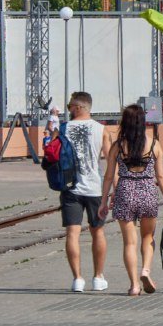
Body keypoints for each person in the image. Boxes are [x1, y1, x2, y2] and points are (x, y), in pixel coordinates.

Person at [98, 104, 163, 295]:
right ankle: (146, 270)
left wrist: (103, 202)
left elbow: (109, 176)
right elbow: (162, 177)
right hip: (148, 191)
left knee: (129, 243)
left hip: (125, 191)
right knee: (148, 237)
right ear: (142, 123)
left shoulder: (118, 146)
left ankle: (134, 285)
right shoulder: (154, 144)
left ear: (125, 122)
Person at [61, 92, 112, 293]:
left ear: (79, 107)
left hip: (70, 187)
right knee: (97, 231)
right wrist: (113, 188)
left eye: (70, 106)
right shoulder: (101, 130)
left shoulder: (63, 129)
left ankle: (77, 279)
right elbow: (111, 161)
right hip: (94, 188)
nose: (69, 110)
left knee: (72, 233)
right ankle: (98, 277)